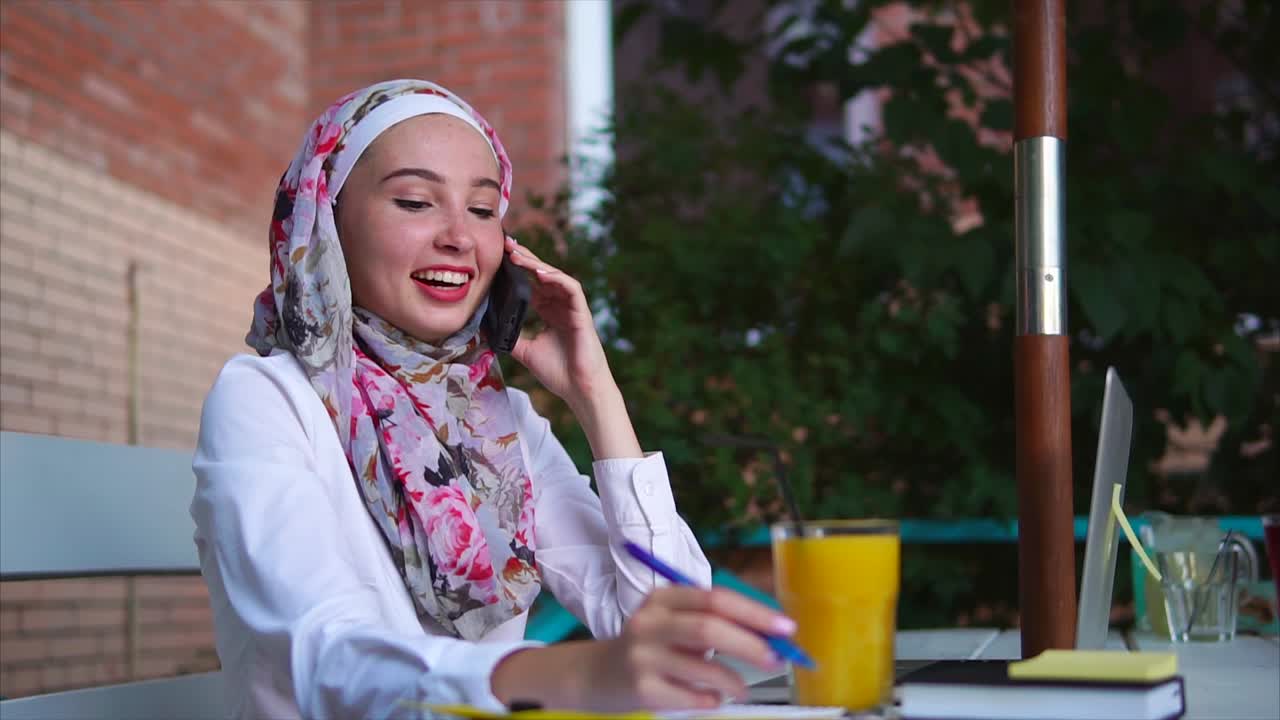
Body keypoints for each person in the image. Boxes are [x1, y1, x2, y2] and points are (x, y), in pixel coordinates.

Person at [190, 79, 792, 716]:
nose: (459, 236)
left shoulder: (499, 421)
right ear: (327, 220)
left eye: (482, 209)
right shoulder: (265, 401)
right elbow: (327, 656)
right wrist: (560, 675)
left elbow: (663, 628)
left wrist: (597, 394)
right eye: (416, 201)